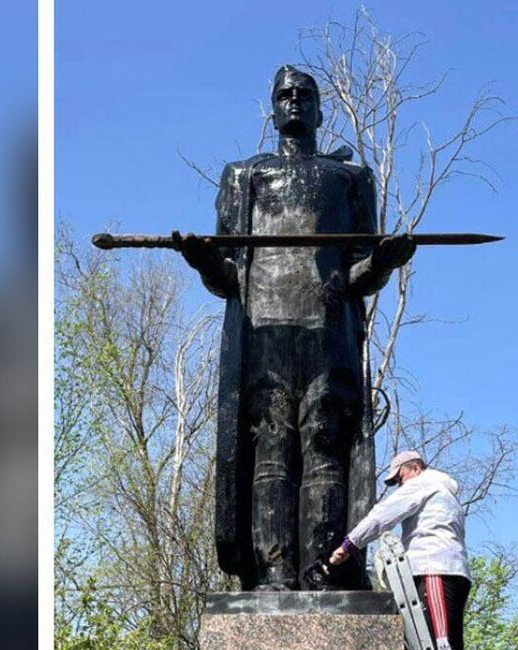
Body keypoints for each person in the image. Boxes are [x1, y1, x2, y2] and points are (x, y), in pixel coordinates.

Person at [176, 65, 416, 590]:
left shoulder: (350, 179)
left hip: (328, 333)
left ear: (319, 108)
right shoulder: (244, 176)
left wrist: (385, 263)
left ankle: (323, 571)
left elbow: (359, 270)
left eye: (304, 95)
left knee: (325, 444)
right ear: (272, 106)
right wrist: (200, 261)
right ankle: (275, 572)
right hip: (263, 335)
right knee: (270, 449)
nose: (293, 102)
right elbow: (229, 279)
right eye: (283, 95)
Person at [329, 450, 475, 650]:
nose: (398, 485)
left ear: (415, 468)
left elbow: (385, 514)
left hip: (435, 570)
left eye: (399, 477)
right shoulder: (443, 491)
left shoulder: (426, 483)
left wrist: (350, 543)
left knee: (441, 644)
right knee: (436, 645)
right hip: (447, 571)